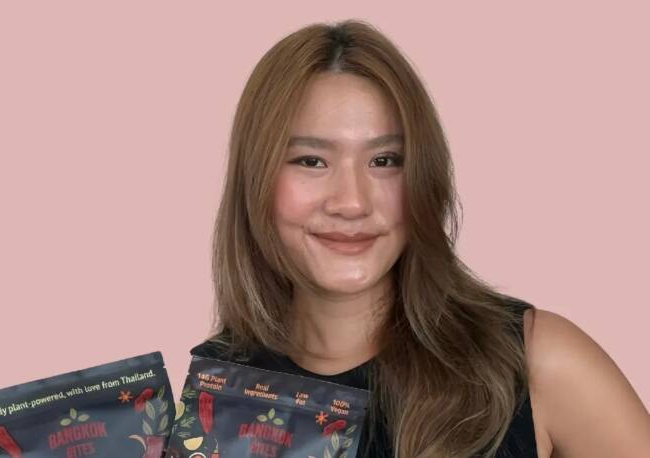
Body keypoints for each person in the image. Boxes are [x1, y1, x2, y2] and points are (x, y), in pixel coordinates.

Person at [190, 19, 650, 457]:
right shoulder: (218, 392)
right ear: (256, 180)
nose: (351, 202)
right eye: (311, 161)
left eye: (385, 160)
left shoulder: (536, 363)